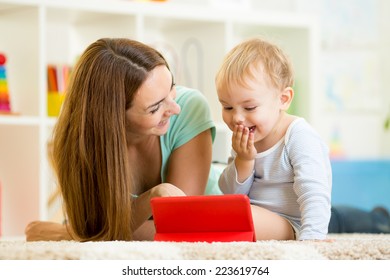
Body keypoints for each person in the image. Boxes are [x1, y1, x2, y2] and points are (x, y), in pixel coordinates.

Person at [25, 38, 220, 242]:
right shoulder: (83, 144)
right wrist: (152, 196)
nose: (175, 108)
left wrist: (70, 234)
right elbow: (94, 223)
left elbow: (182, 227)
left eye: (172, 87)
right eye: (155, 108)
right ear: (113, 118)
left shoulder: (189, 108)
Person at [215, 37, 332, 241]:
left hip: (291, 223)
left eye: (249, 107)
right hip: (257, 217)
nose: (237, 118)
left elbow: (314, 191)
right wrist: (244, 160)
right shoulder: (247, 134)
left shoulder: (299, 136)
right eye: (227, 107)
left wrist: (313, 237)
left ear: (283, 99)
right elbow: (230, 193)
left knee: (239, 218)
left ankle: (376, 218)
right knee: (225, 213)